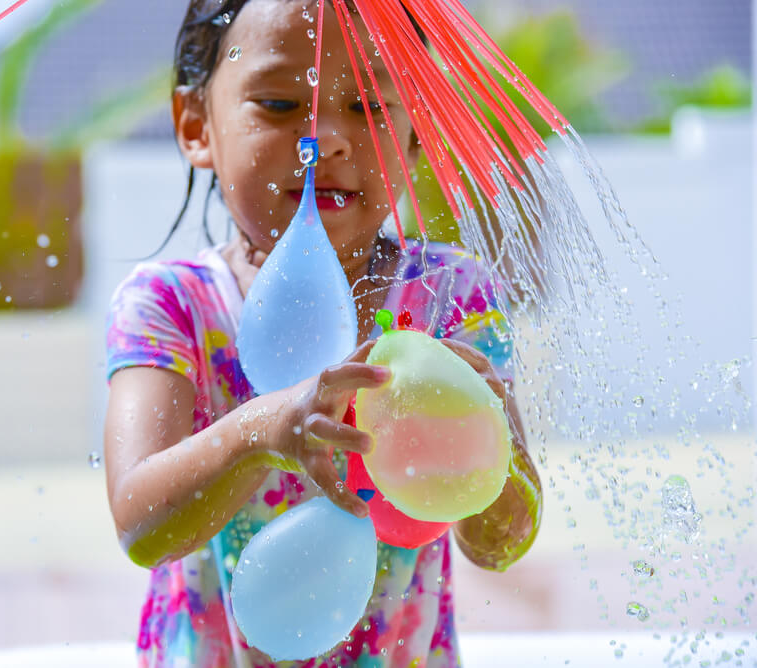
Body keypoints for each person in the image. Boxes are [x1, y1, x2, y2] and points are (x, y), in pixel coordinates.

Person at [104, 1, 543, 665]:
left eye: (368, 108)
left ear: (417, 128)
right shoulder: (175, 305)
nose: (327, 139)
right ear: (196, 125)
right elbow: (141, 524)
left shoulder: (453, 299)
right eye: (280, 106)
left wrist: (479, 434)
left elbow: (501, 542)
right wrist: (262, 433)